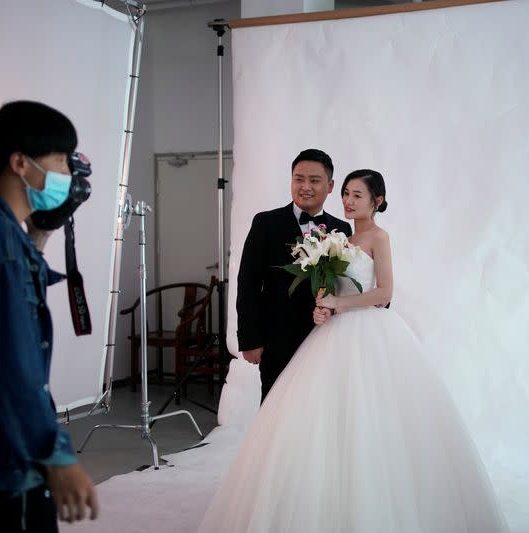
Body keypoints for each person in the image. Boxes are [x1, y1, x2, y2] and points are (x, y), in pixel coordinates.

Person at [199, 169, 509, 532]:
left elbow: (385, 294)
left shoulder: (378, 237)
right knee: (321, 419)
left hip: (368, 335)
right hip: (330, 335)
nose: (347, 201)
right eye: (346, 193)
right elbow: (327, 287)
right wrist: (325, 306)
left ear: (376, 201)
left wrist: (338, 304)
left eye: (357, 195)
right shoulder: (339, 237)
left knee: (369, 418)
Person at [0, 101, 99, 530]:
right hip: (1, 461)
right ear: (20, 162)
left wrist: (39, 232)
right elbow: (9, 362)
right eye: (60, 159)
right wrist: (54, 455)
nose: (67, 174)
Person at [236, 148, 352, 402]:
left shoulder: (342, 228)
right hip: (277, 339)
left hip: (323, 338)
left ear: (330, 185)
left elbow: (344, 283)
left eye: (314, 180)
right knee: (274, 409)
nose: (305, 186)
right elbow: (248, 283)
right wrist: (249, 339)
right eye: (299, 179)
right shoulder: (265, 223)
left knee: (318, 408)